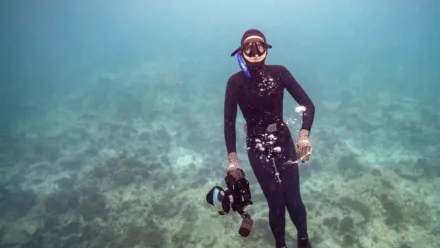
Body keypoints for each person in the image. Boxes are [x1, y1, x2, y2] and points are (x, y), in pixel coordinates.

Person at [223, 29, 315, 248]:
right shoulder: (234, 83)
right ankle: (280, 246)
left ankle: (304, 240)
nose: (254, 51)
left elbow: (308, 105)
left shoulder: (279, 73)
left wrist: (304, 136)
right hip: (256, 146)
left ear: (266, 49)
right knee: (276, 202)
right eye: (248, 47)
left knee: (293, 199)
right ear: (241, 52)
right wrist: (232, 160)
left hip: (282, 141)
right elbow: (228, 122)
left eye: (259, 46)